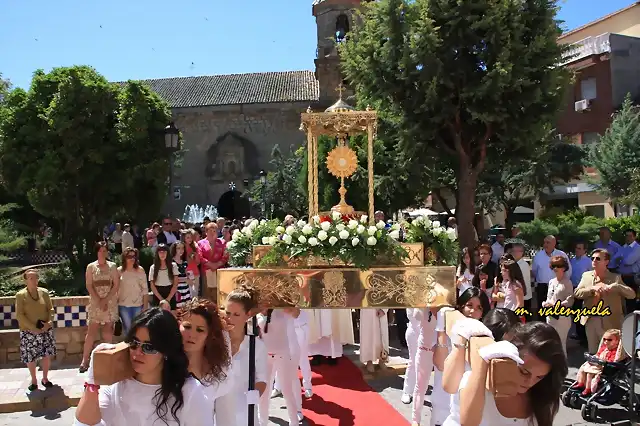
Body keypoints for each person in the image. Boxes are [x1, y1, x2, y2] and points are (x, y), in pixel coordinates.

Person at [74, 308, 212, 426]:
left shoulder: (190, 391)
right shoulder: (115, 386)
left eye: (148, 347)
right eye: (134, 343)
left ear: (166, 351)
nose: (138, 352)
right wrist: (92, 381)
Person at [445, 321, 568, 426]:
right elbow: (468, 423)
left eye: (540, 377)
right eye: (524, 372)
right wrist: (481, 361)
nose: (530, 382)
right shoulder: (474, 381)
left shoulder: (545, 393)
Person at [430, 289, 490, 426]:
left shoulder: (483, 337)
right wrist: (442, 328)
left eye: (479, 308)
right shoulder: (449, 328)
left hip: (462, 406)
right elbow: (440, 365)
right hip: (443, 399)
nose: (472, 311)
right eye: (469, 305)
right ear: (461, 306)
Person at [178, 298, 234, 424]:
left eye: (200, 330)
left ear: (209, 335)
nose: (191, 334)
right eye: (187, 327)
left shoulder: (218, 374)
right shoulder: (166, 365)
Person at [220, 284, 268, 426]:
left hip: (244, 412)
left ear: (248, 315)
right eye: (228, 313)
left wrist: (253, 397)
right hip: (217, 411)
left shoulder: (257, 346)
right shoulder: (215, 342)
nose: (230, 319)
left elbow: (261, 379)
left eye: (236, 314)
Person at [574, 248, 635, 353]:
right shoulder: (586, 276)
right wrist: (591, 289)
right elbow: (577, 293)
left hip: (610, 322)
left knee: (609, 354)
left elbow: (632, 295)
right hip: (591, 319)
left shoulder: (615, 277)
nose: (594, 261)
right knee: (593, 353)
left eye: (598, 258)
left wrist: (618, 287)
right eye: (592, 258)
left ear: (606, 262)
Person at [258, 308, 303, 426]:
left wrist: (287, 305)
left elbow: (296, 313)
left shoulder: (281, 309)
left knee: (287, 390)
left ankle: (294, 422)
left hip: (283, 355)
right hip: (264, 357)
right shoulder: (256, 311)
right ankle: (262, 422)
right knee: (264, 392)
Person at [80, 241, 120, 373]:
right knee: (91, 331)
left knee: (108, 331)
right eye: (100, 250)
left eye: (105, 250)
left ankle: (108, 359)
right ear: (96, 252)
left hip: (110, 302)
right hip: (95, 302)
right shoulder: (91, 267)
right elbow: (89, 285)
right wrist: (98, 300)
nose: (103, 253)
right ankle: (85, 360)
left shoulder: (112, 266)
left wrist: (106, 300)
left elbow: (116, 285)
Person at [15, 269, 56, 391]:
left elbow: (51, 309)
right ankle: (34, 380)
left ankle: (45, 378)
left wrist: (49, 322)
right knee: (30, 357)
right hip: (28, 331)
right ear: (26, 280)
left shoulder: (44, 292)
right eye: (31, 278)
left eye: (36, 278)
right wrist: (33, 328)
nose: (34, 281)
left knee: (46, 355)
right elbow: (20, 315)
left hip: (45, 329)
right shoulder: (20, 295)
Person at [572, 329, 622, 396]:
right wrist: (593, 358)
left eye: (609, 340)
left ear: (617, 341)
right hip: (597, 363)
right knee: (583, 368)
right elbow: (598, 354)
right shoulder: (604, 347)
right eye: (604, 339)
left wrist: (602, 361)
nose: (606, 341)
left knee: (589, 373)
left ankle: (588, 388)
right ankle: (580, 383)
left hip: (605, 366)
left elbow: (611, 361)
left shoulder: (614, 351)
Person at [542, 255, 574, 356]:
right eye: (554, 266)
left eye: (558, 266)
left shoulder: (568, 282)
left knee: (560, 342)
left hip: (562, 317)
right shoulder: (551, 281)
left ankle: (563, 365)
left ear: (564, 268)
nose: (555, 268)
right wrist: (545, 303)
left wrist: (556, 304)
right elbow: (548, 297)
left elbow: (569, 301)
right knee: (551, 342)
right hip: (550, 316)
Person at [117, 247, 148, 334]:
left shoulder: (140, 270)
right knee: (128, 330)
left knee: (137, 330)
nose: (132, 259)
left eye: (134, 256)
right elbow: (115, 289)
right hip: (123, 305)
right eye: (129, 257)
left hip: (137, 305)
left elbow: (145, 289)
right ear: (124, 258)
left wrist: (145, 307)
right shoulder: (119, 271)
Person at [149, 244, 180, 311]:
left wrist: (168, 299)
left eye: (164, 252)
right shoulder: (153, 267)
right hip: (158, 294)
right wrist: (162, 300)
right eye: (160, 252)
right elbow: (152, 285)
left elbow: (175, 284)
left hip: (170, 292)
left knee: (172, 315)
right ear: (157, 254)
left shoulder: (173, 266)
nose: (162, 254)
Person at [359, 308, 389, 373]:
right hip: (367, 308)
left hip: (380, 305)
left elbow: (389, 297)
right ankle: (369, 360)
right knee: (368, 334)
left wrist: (384, 309)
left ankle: (382, 359)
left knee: (382, 333)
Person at [400, 308, 421, 404]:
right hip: (415, 331)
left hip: (432, 331)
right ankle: (407, 391)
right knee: (413, 361)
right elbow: (415, 315)